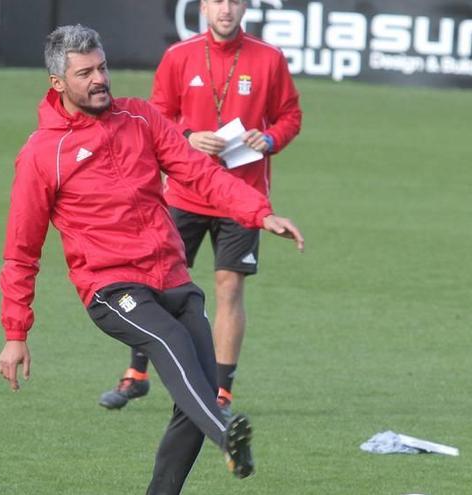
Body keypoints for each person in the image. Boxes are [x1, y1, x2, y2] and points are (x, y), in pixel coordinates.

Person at [0, 24, 304, 495]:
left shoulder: (140, 118)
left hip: (171, 275)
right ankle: (224, 434)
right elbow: (21, 252)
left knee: (193, 393)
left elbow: (199, 172)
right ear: (58, 83)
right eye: (85, 73)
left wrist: (259, 213)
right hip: (111, 287)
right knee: (172, 343)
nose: (100, 79)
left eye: (102, 67)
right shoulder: (42, 154)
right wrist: (15, 333)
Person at [99, 0, 302, 415]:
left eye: (234, 1)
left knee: (230, 288)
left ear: (246, 5)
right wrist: (189, 136)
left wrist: (270, 139)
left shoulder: (269, 59)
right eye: (217, 1)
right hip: (183, 193)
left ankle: (221, 392)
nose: (225, 9)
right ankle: (137, 374)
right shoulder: (179, 56)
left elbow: (289, 115)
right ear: (203, 6)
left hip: (241, 196)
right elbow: (156, 115)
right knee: (155, 282)